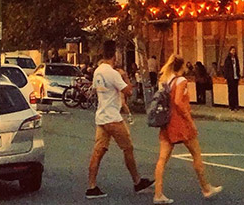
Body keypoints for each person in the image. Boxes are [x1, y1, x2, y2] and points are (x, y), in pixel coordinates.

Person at [86, 40, 154, 199]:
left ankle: (91, 186)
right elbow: (129, 91)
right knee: (127, 148)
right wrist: (125, 77)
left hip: (101, 117)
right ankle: (137, 182)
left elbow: (97, 90)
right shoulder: (113, 73)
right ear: (114, 54)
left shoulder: (98, 71)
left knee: (98, 152)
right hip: (113, 118)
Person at [153, 54, 222, 204]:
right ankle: (206, 188)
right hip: (180, 122)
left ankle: (158, 193)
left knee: (162, 159)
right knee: (196, 154)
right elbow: (178, 101)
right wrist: (189, 120)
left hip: (167, 121)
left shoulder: (166, 80)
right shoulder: (181, 81)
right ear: (182, 66)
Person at [222, 47, 241, 111]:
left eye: (234, 50)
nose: (233, 52)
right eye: (232, 50)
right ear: (230, 51)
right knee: (231, 92)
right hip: (230, 77)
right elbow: (226, 69)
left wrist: (238, 75)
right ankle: (231, 106)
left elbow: (237, 67)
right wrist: (226, 77)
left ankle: (236, 105)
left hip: (236, 77)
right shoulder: (228, 59)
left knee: (235, 92)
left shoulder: (236, 59)